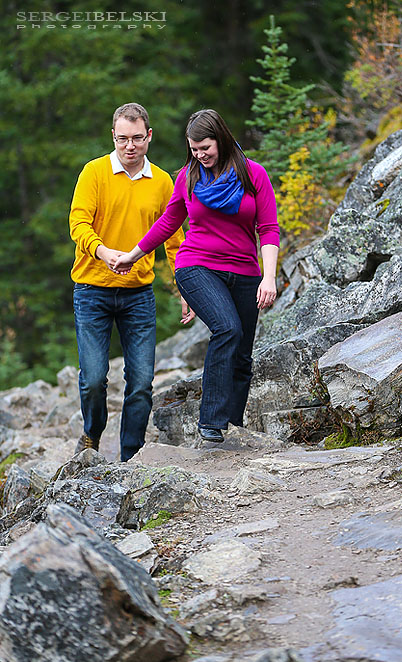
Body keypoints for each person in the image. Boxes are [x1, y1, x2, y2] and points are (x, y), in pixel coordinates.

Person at [114, 108, 279, 443]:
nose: (200, 155)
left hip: (246, 271)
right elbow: (168, 222)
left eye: (205, 147)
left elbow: (269, 228)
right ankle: (211, 423)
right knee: (226, 327)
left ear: (221, 139)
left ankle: (231, 427)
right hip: (197, 265)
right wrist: (134, 253)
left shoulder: (253, 175)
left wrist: (269, 276)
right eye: (194, 149)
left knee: (243, 356)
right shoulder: (188, 177)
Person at [69, 102, 185, 461]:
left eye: (137, 138)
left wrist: (185, 289)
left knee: (140, 384)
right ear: (113, 137)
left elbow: (175, 240)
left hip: (138, 295)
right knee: (93, 380)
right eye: (122, 139)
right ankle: (91, 435)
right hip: (92, 290)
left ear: (149, 136)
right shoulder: (94, 173)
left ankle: (130, 457)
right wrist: (102, 252)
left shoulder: (164, 182)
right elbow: (78, 224)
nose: (129, 146)